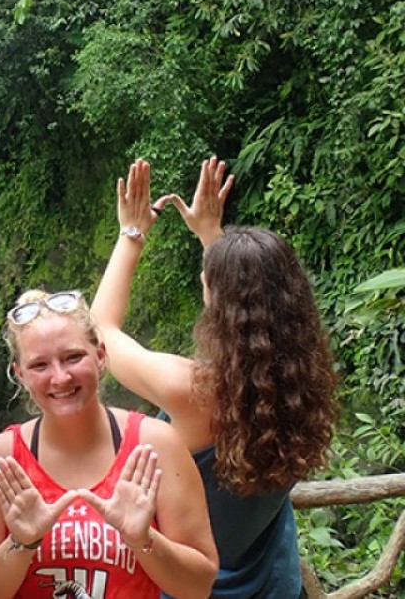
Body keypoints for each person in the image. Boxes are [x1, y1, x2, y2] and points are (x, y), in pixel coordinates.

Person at [91, 158, 339, 597]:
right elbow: (252, 303)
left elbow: (101, 332)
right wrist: (212, 234)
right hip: (274, 586)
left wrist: (132, 232)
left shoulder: (191, 390)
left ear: (214, 297)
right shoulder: (305, 382)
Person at [0, 289, 218, 598]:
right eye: (40, 365)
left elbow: (199, 586)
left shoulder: (155, 446)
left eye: (73, 357)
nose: (60, 377)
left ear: (101, 356)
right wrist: (21, 543)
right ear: (20, 374)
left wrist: (142, 539)